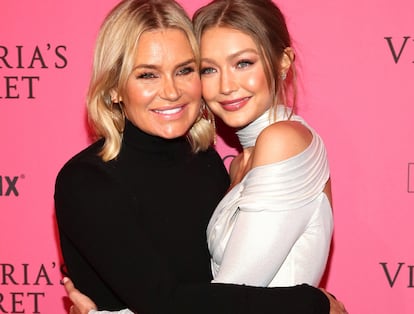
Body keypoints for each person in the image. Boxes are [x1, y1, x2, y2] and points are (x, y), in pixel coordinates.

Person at [55, 0, 346, 313]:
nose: (171, 91)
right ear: (114, 88)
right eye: (147, 75)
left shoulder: (208, 163)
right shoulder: (87, 181)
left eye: (184, 70)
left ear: (283, 61)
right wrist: (311, 304)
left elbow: (207, 297)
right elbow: (176, 301)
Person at [192, 0, 334, 288]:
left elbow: (233, 292)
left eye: (243, 63)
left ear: (283, 61)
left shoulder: (283, 141)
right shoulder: (239, 164)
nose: (226, 86)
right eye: (209, 70)